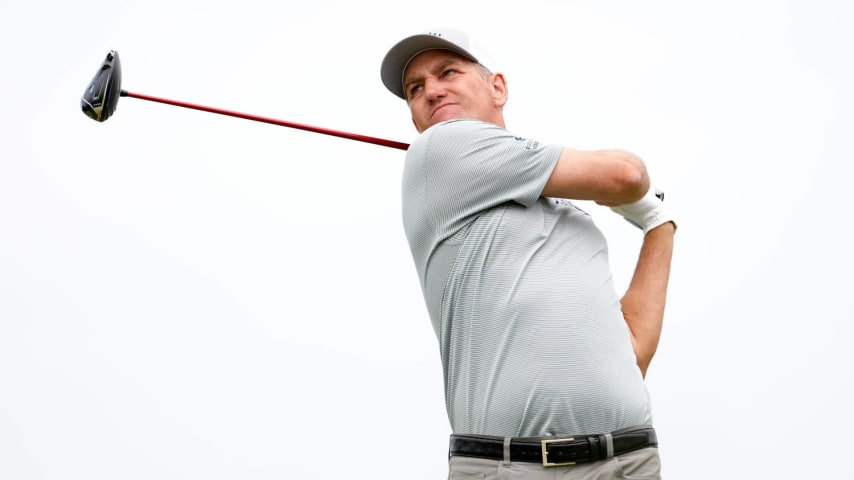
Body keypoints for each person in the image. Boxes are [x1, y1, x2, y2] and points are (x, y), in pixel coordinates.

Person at [380, 29, 676, 479]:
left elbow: (632, 355)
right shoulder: (441, 149)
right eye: (415, 89)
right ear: (415, 119)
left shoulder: (574, 219)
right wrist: (637, 196)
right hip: (510, 466)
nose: (431, 90)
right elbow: (626, 174)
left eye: (447, 73)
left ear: (497, 87)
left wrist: (658, 224)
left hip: (626, 459)